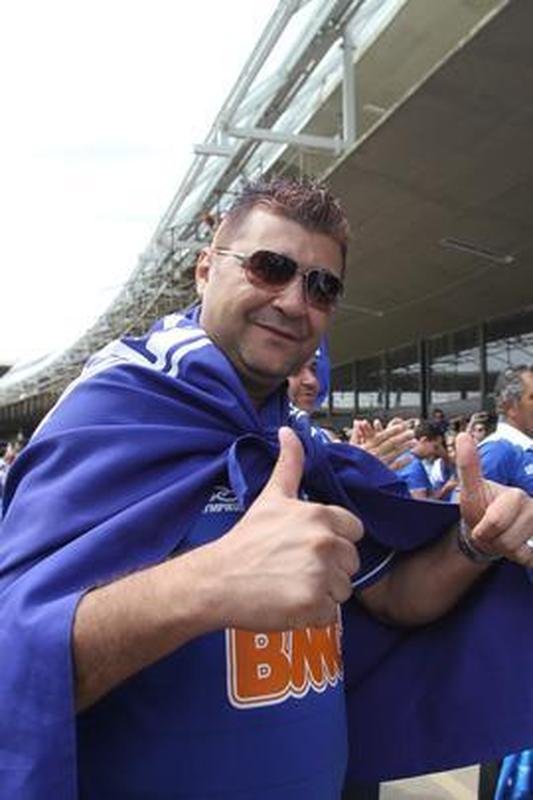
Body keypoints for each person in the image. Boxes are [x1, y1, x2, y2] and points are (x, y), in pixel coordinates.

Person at [1, 177, 533, 799]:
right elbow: (14, 663)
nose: (293, 300)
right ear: (205, 270)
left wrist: (472, 543)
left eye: (321, 285)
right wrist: (205, 583)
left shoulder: (299, 447)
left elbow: (391, 597)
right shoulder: (112, 416)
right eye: (269, 266)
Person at [395, 420, 447, 499]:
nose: (436, 452)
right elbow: (420, 504)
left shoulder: (400, 456)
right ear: (424, 440)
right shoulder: (414, 466)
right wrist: (445, 489)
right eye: (435, 447)